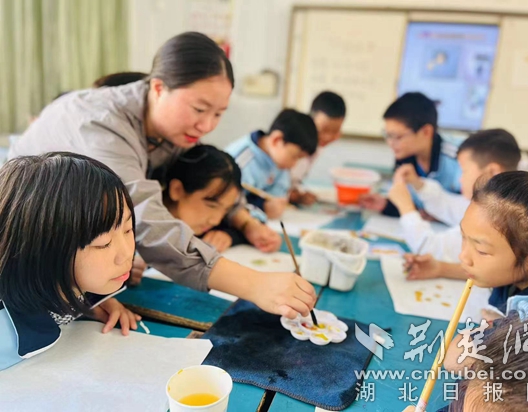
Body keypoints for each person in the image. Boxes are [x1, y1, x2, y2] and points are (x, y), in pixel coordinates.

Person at [8, 32, 314, 319]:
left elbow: (202, 178)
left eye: (218, 114)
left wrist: (242, 219)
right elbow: (145, 220)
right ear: (157, 88)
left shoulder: (168, 129)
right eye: (199, 109)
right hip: (25, 273)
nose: (207, 125)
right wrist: (253, 284)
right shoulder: (101, 126)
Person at [0, 153, 142, 371]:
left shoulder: (73, 284)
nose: (126, 254)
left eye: (128, 229)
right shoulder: (6, 333)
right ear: (41, 250)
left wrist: (94, 301)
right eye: (103, 243)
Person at [406, 171, 528, 320]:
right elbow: (496, 270)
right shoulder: (516, 273)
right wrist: (440, 268)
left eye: (481, 251)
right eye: (463, 237)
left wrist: (497, 335)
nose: (463, 257)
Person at [389, 129, 520, 269]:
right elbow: (450, 206)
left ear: (492, 171)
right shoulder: (499, 204)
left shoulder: (495, 219)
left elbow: (429, 248)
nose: (460, 178)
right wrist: (418, 184)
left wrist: (406, 207)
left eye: (464, 170)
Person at [360, 92, 461, 216]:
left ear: (426, 132)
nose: (390, 143)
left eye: (397, 136)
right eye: (387, 135)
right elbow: (412, 205)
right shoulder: (404, 156)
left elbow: (472, 209)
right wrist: (386, 204)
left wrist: (438, 215)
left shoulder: (458, 157)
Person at [226, 109, 318, 219]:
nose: (294, 164)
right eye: (294, 157)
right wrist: (262, 206)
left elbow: (279, 193)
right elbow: (227, 204)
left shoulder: (278, 160)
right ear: (276, 140)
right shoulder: (240, 161)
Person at [163, 144, 251, 252]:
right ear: (177, 190)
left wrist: (228, 236)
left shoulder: (198, 227)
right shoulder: (141, 227)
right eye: (212, 206)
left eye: (226, 209)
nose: (215, 220)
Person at [289, 91, 346, 206]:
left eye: (335, 131)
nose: (328, 137)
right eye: (323, 130)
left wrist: (298, 194)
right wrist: (295, 197)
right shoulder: (292, 144)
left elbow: (293, 182)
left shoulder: (318, 147)